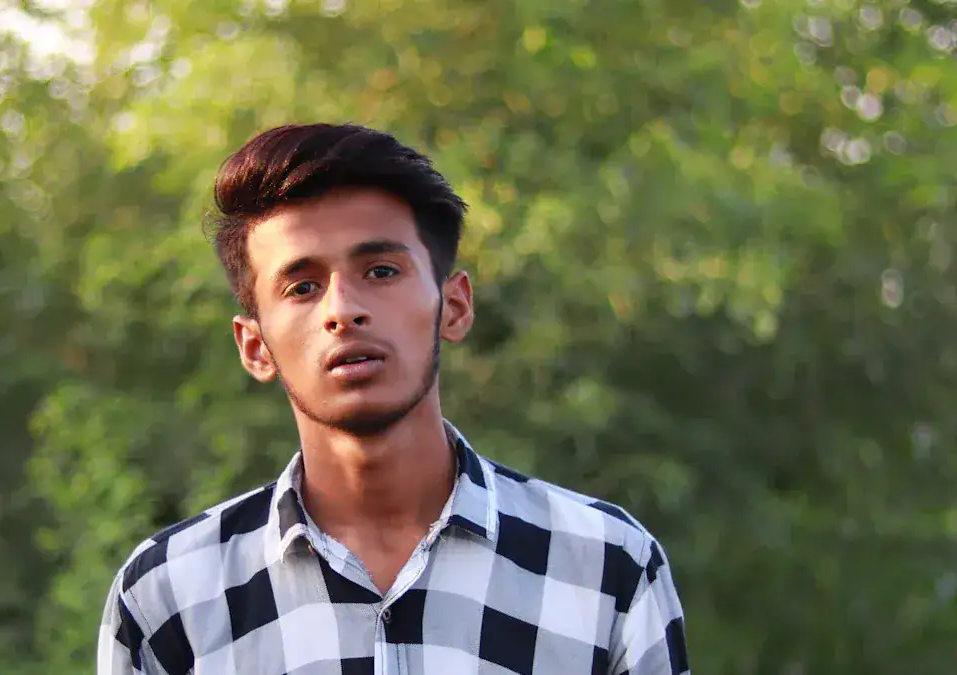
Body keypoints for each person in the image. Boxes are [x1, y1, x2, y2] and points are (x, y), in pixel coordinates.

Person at [97, 123, 691, 675]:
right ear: (255, 346)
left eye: (381, 271)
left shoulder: (606, 566)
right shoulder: (167, 596)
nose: (342, 309)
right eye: (302, 287)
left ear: (453, 305)